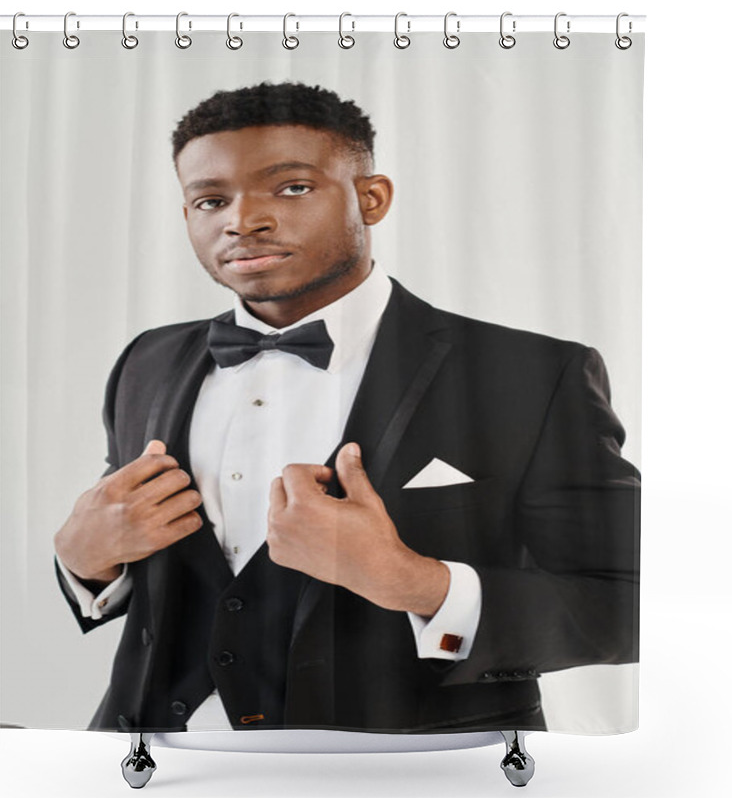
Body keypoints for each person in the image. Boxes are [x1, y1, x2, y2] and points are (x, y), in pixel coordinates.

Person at [54, 81, 640, 734]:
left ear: (372, 197)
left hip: (411, 773)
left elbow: (629, 604)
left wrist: (416, 584)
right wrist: (83, 562)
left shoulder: (531, 375)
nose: (242, 220)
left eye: (291, 187)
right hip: (152, 766)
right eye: (211, 199)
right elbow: (138, 568)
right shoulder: (148, 360)